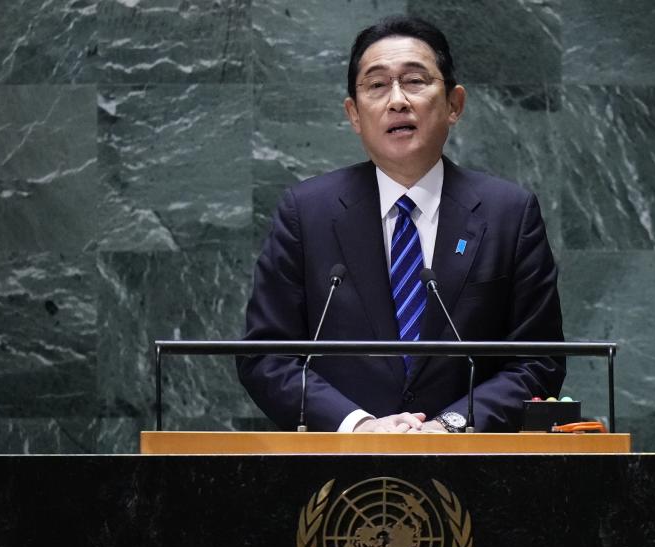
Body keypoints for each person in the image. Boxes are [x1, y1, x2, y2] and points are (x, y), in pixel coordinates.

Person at [237, 15, 564, 433]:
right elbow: (267, 355)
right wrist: (357, 426)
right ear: (354, 114)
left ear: (454, 105)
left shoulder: (509, 214)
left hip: (476, 468)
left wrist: (451, 424)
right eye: (377, 85)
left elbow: (539, 359)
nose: (397, 101)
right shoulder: (306, 212)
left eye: (415, 81)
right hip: (337, 471)